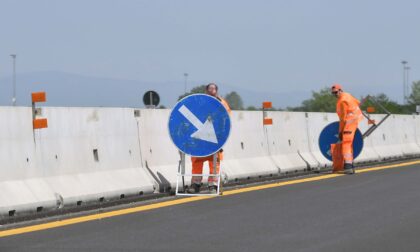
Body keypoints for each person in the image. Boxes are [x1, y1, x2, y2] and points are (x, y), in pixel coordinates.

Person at [188, 83, 231, 193]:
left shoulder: (222, 103)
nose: (212, 90)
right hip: (200, 138)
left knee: (214, 162)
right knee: (197, 160)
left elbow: (226, 119)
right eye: (210, 88)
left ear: (217, 90)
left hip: (215, 138)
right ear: (206, 90)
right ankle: (195, 184)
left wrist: (221, 138)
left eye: (214, 88)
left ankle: (212, 185)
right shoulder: (201, 101)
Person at [331, 83, 363, 174]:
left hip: (349, 122)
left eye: (336, 92)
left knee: (346, 143)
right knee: (349, 143)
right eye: (333, 93)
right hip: (356, 119)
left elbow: (343, 119)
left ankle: (348, 166)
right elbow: (358, 102)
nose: (335, 95)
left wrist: (340, 131)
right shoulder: (348, 95)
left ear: (340, 90)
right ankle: (351, 165)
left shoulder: (342, 101)